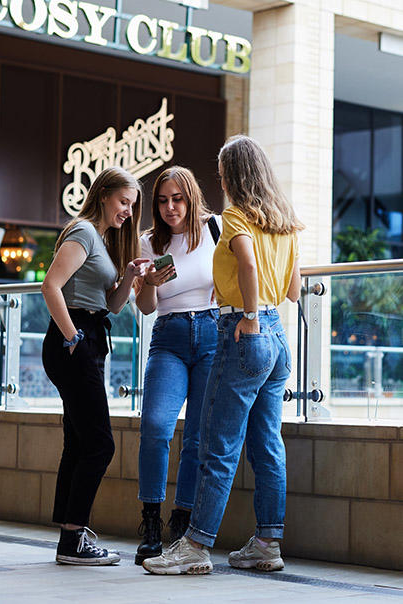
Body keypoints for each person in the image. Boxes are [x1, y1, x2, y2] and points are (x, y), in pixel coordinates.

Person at [143, 136, 303, 575]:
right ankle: (267, 543)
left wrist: (248, 314)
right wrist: (257, 307)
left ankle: (195, 546)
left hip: (244, 332)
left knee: (218, 445)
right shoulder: (283, 220)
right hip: (277, 337)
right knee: (267, 445)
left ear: (232, 174)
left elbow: (248, 264)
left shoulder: (235, 217)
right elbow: (292, 288)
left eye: (221, 173)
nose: (220, 180)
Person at [41, 166, 147, 566]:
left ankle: (70, 535)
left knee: (81, 441)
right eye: (123, 202)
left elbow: (114, 306)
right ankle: (73, 537)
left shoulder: (101, 240)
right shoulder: (84, 231)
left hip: (87, 335)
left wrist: (130, 277)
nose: (127, 211)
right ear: (103, 194)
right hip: (74, 337)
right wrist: (72, 338)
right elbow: (50, 285)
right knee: (101, 444)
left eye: (132, 205)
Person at [134, 166, 222, 565]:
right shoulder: (148, 241)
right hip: (168, 335)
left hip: (211, 333)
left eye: (178, 199)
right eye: (163, 200)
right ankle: (150, 522)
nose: (171, 208)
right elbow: (146, 308)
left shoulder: (215, 229)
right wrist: (149, 284)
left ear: (191, 197)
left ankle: (182, 522)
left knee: (198, 439)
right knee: (155, 427)